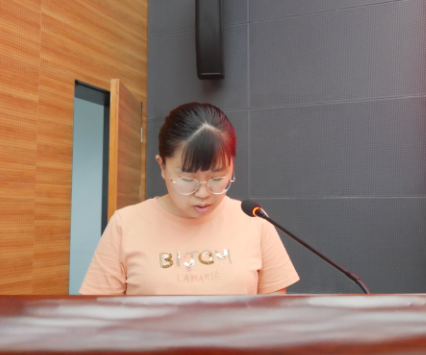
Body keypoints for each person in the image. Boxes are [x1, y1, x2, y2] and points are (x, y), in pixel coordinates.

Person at [80, 102, 298, 295]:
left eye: (217, 177)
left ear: (232, 165)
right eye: (187, 179)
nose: (203, 193)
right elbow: (100, 316)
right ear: (162, 166)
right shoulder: (125, 224)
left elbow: (274, 316)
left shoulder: (255, 221)